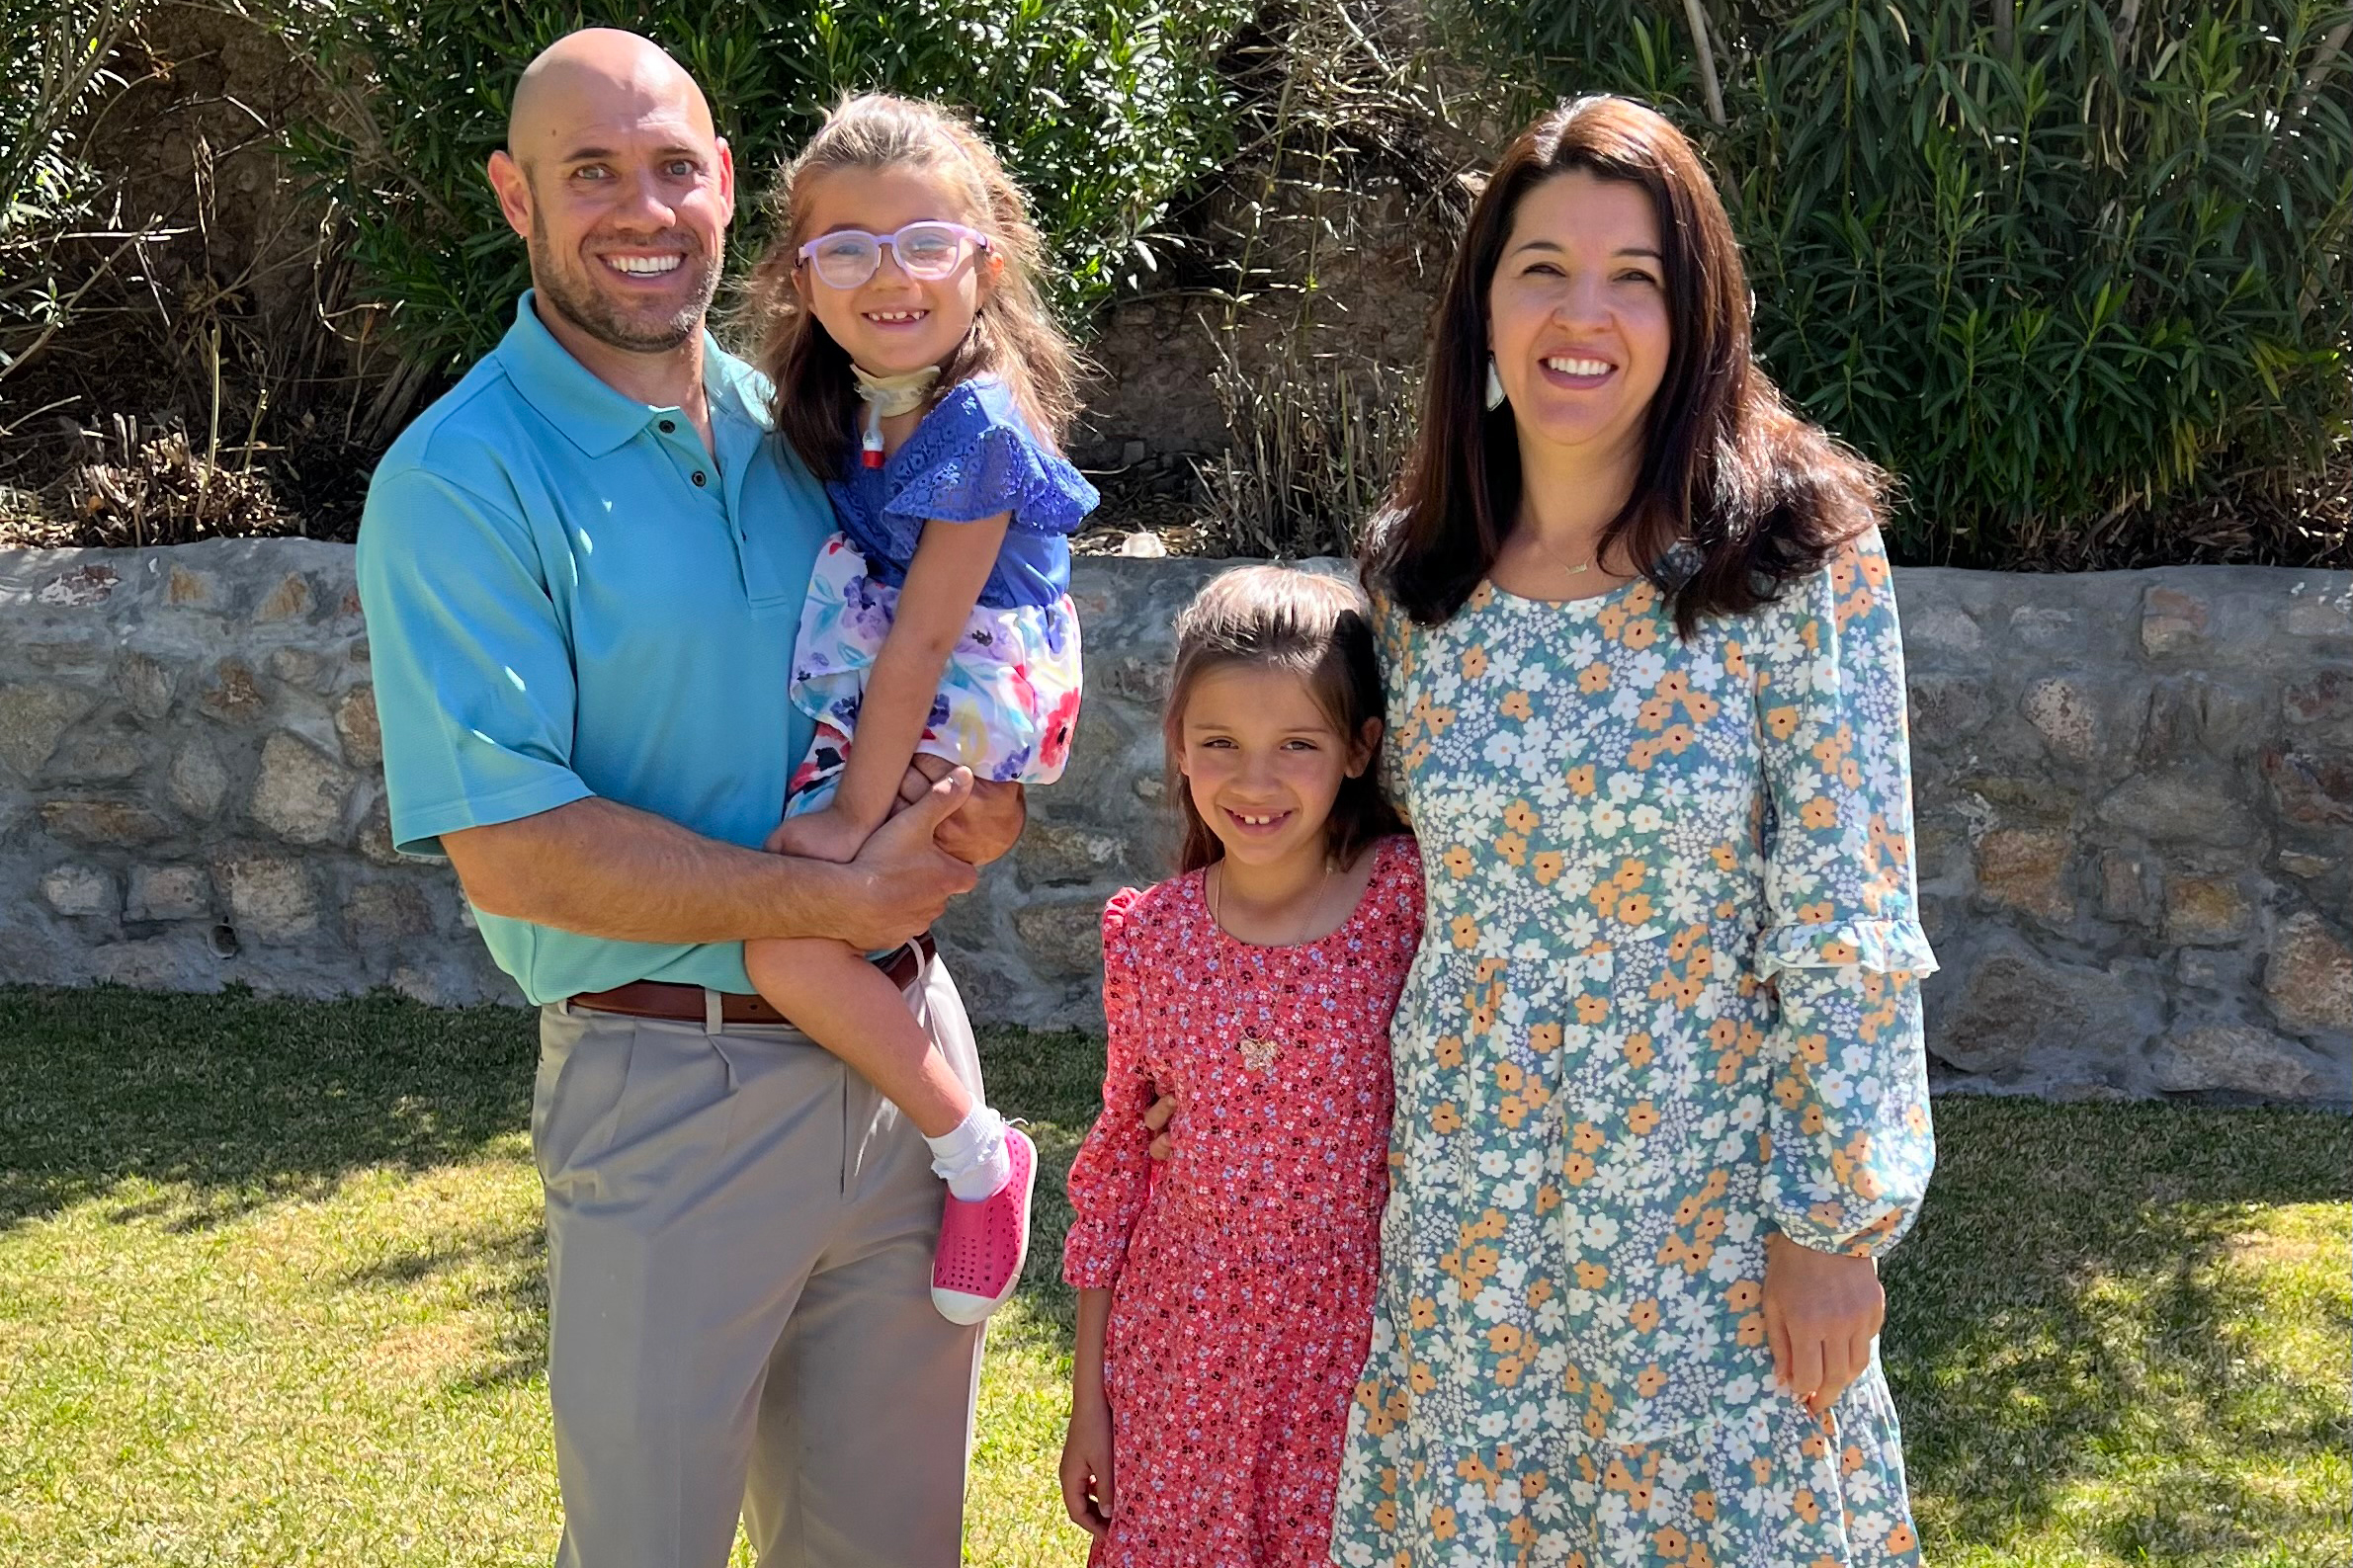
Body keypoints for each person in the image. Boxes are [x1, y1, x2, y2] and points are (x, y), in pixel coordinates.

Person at [355, 31, 1018, 1568]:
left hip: (909, 1052)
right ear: (516, 196)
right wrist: (826, 904)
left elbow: (923, 671)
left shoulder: (819, 426)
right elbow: (513, 849)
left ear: (724, 186)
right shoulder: (461, 478)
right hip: (671, 1095)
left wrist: (969, 810)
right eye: (591, 171)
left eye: (672, 166)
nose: (639, 206)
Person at [1323, 96, 1938, 1566]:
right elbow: (1365, 875)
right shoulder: (1418, 587)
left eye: (1635, 276)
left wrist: (1834, 1219)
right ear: (1483, 304)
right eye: (1540, 267)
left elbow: (1850, 899)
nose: (1580, 313)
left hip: (1716, 1224)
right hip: (1474, 1224)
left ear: (1695, 313)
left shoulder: (1792, 563)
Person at [735, 94, 1096, 1325]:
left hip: (961, 686)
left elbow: (926, 637)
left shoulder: (976, 423)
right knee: (819, 940)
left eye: (925, 244)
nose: (888, 277)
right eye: (847, 249)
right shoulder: (848, 401)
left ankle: (978, 1154)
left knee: (788, 934)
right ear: (800, 275)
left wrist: (844, 815)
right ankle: (921, 1132)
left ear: (982, 264)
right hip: (918, 680)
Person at [1057, 566, 1422, 1567]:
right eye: (1218, 743)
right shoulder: (1149, 935)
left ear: (1360, 748)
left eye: (1295, 745)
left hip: (1353, 1351)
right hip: (1177, 1357)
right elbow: (1118, 1166)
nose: (1252, 782)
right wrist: (1089, 1398)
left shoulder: (1408, 903)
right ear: (1176, 744)